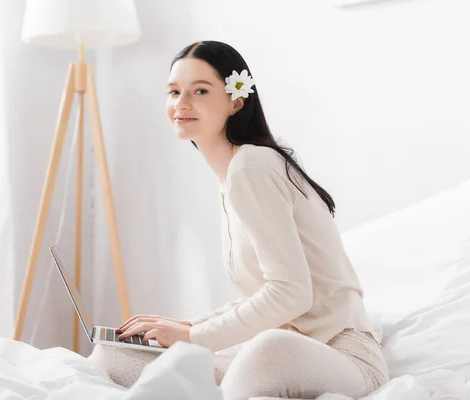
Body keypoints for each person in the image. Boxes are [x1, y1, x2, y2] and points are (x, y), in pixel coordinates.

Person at [88, 40, 389, 400]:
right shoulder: (231, 176)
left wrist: (190, 338)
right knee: (114, 354)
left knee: (268, 350)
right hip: (276, 348)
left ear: (236, 100)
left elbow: (291, 293)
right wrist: (187, 325)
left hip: (338, 352)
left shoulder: (253, 166)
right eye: (173, 91)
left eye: (200, 90)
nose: (181, 104)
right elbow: (261, 292)